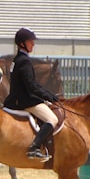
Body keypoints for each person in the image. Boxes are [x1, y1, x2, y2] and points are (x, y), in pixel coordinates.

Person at [4, 28, 59, 160]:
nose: (33, 44)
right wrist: (49, 96)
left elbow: (32, 83)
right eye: (30, 42)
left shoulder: (16, 59)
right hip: (25, 100)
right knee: (52, 119)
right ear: (22, 43)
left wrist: (48, 94)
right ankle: (34, 148)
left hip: (15, 98)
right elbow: (31, 86)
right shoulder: (24, 61)